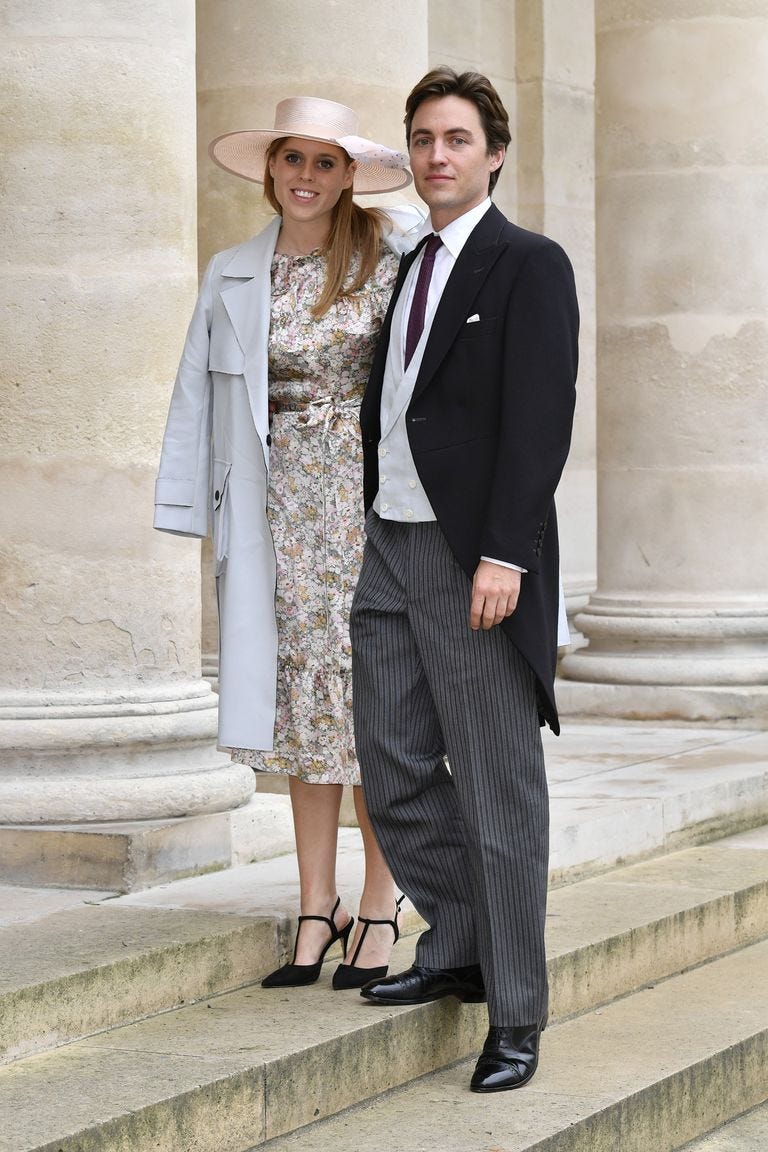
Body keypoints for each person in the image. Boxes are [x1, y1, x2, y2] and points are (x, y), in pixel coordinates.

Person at [154, 96, 421, 991]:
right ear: (269, 170)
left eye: (324, 162)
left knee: (373, 708)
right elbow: (196, 395)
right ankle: (316, 906)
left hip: (374, 505)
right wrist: (186, 510)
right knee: (305, 712)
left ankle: (381, 903)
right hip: (275, 510)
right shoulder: (234, 270)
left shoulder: (390, 257)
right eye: (291, 160)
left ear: (349, 174)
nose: (304, 177)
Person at [350, 68, 578, 1091]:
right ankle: (456, 943)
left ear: (493, 153)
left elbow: (540, 420)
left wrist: (506, 554)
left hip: (469, 555)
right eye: (423, 140)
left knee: (498, 791)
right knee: (392, 764)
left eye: (456, 138)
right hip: (389, 543)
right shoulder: (411, 262)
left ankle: (515, 1013)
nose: (438, 156)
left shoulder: (529, 264)